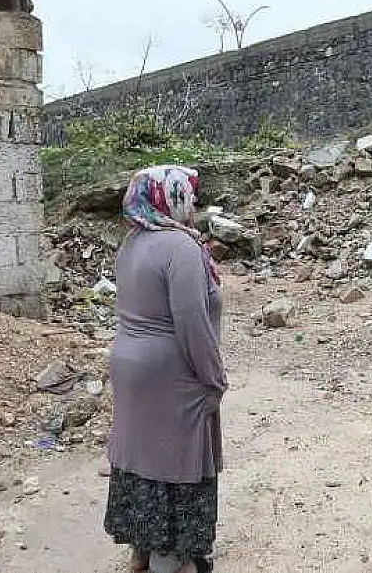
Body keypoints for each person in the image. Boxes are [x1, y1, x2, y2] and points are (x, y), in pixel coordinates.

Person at [103, 165, 227, 573]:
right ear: (169, 198)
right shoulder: (180, 247)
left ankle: (142, 549)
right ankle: (171, 559)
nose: (193, 202)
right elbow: (192, 321)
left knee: (140, 459)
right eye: (186, 194)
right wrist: (213, 378)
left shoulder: (132, 242)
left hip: (130, 365)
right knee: (177, 463)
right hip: (170, 374)